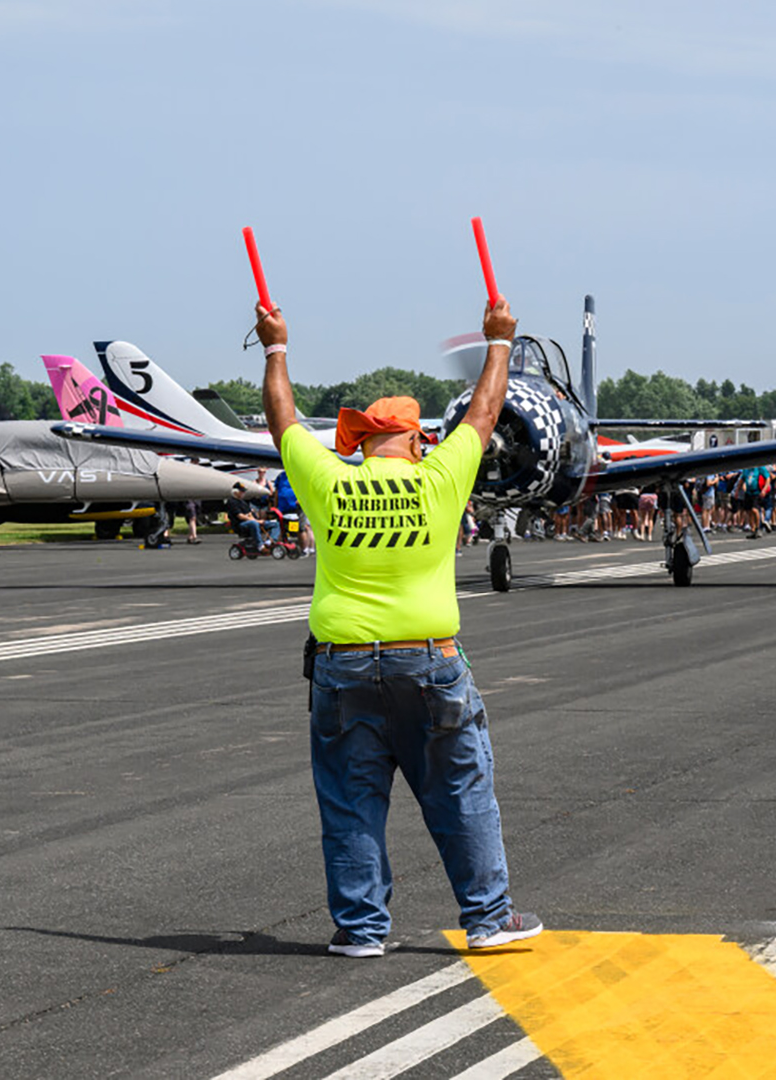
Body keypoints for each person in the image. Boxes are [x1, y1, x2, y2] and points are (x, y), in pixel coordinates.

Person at [261, 293, 540, 958]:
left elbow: (282, 419)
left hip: (342, 662)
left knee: (351, 800)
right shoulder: (441, 476)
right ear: (417, 440)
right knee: (460, 790)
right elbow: (485, 411)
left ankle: (360, 930)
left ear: (360, 440)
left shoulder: (327, 479)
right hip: (428, 658)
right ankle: (485, 918)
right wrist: (498, 340)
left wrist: (275, 346)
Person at [225, 482, 277, 548]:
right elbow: (240, 516)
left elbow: (249, 514)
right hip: (241, 525)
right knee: (253, 523)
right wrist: (256, 521)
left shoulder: (243, 502)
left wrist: (257, 520)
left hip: (251, 521)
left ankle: (269, 542)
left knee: (275, 523)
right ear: (236, 492)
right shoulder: (232, 502)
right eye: (241, 491)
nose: (243, 493)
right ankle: (260, 545)